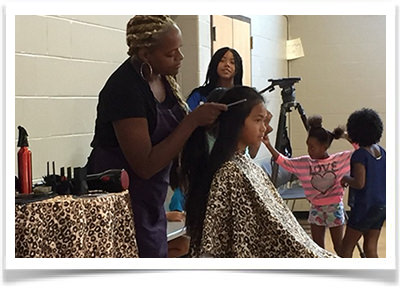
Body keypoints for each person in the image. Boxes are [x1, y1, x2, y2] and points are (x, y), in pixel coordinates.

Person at [85, 15, 227, 258]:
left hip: (149, 198)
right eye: (171, 54)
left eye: (179, 50)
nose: (180, 58)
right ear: (145, 54)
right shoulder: (124, 89)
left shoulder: (163, 79)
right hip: (117, 204)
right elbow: (145, 165)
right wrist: (192, 121)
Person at [181, 86, 336, 258]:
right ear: (236, 122)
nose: (265, 128)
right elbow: (239, 243)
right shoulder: (229, 173)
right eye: (258, 120)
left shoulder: (245, 165)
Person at [263, 115, 355, 255]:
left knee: (339, 247)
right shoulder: (305, 163)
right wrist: (268, 144)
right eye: (307, 145)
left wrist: (345, 136)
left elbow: (359, 151)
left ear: (324, 147)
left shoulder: (338, 160)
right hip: (316, 208)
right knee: (317, 248)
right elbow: (284, 161)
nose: (308, 150)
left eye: (312, 147)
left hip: (334, 208)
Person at [340, 108, 386, 258]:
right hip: (381, 206)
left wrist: (345, 178)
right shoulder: (382, 152)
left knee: (345, 249)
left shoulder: (359, 155)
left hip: (363, 208)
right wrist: (345, 136)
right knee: (370, 248)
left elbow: (359, 183)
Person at [186, 47, 243, 111]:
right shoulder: (200, 95)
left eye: (232, 62)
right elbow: (187, 117)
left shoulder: (242, 96)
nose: (227, 64)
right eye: (222, 61)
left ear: (238, 69)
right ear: (215, 64)